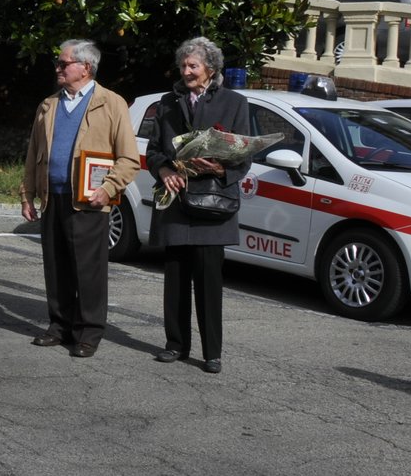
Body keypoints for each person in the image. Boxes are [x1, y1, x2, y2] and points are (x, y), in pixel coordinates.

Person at [20, 39, 139, 357]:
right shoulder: (48, 105)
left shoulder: (111, 103)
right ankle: (59, 326)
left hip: (91, 200)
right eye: (58, 64)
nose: (58, 68)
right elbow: (34, 154)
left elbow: (129, 158)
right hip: (53, 197)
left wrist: (109, 188)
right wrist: (26, 194)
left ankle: (88, 332)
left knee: (88, 270)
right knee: (56, 266)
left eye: (63, 63)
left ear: (85, 67)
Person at [145, 36, 252, 374]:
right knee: (175, 280)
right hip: (176, 202)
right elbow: (152, 150)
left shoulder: (235, 102)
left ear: (211, 68)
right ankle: (175, 344)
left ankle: (212, 353)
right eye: (183, 65)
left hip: (213, 204)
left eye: (193, 65)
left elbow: (245, 153)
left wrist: (221, 168)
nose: (186, 71)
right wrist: (163, 169)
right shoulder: (167, 102)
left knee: (209, 284)